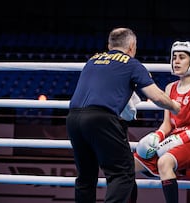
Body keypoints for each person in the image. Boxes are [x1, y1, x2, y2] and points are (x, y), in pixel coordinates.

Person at [66, 27, 181, 203]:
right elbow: (156, 96)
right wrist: (176, 107)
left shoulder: (93, 60)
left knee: (86, 177)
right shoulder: (131, 63)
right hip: (101, 119)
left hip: (73, 118)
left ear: (109, 45)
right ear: (132, 46)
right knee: (123, 174)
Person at [132, 41, 190, 203]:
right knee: (128, 165)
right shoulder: (170, 88)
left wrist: (182, 138)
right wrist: (157, 136)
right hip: (173, 141)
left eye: (182, 57)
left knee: (165, 161)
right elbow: (167, 124)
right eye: (174, 57)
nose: (176, 61)